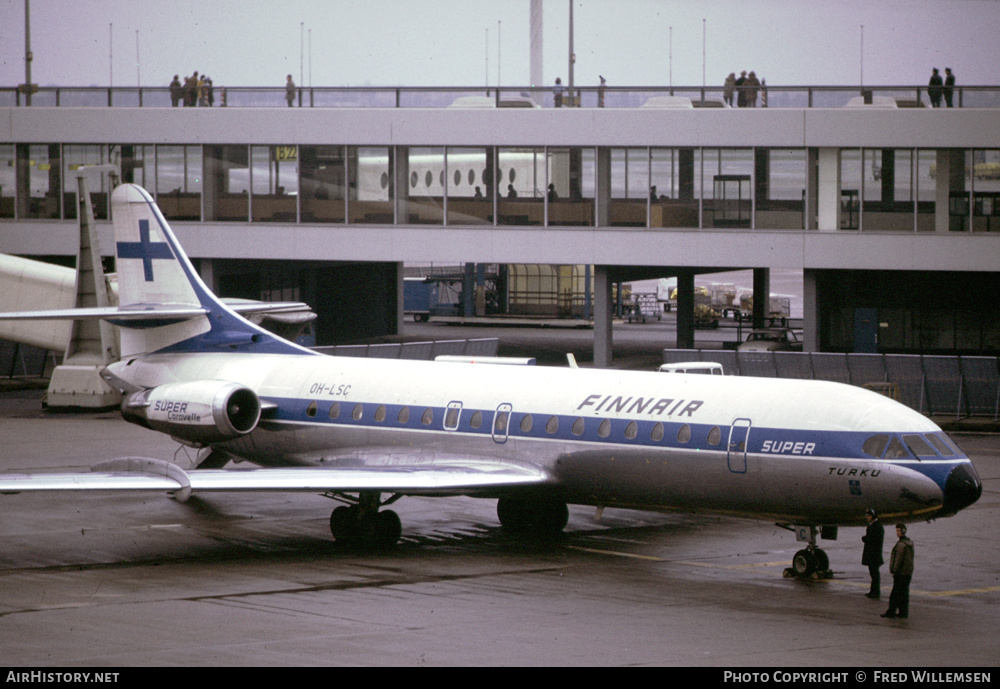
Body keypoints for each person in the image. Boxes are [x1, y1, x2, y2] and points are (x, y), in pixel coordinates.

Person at [882, 524, 914, 619]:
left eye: (898, 531)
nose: (897, 533)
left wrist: (893, 570)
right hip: (907, 573)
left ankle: (891, 612)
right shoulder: (909, 543)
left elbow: (898, 560)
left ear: (902, 532)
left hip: (900, 573)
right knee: (904, 594)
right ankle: (903, 612)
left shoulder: (900, 545)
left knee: (895, 594)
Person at [862, 508, 884, 599]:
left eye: (868, 516)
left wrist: (865, 539)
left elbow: (874, 539)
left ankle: (876, 592)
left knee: (874, 574)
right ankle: (873, 591)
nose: (867, 517)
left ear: (872, 516)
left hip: (874, 554)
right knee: (873, 573)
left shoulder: (877, 526)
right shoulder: (873, 525)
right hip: (872, 554)